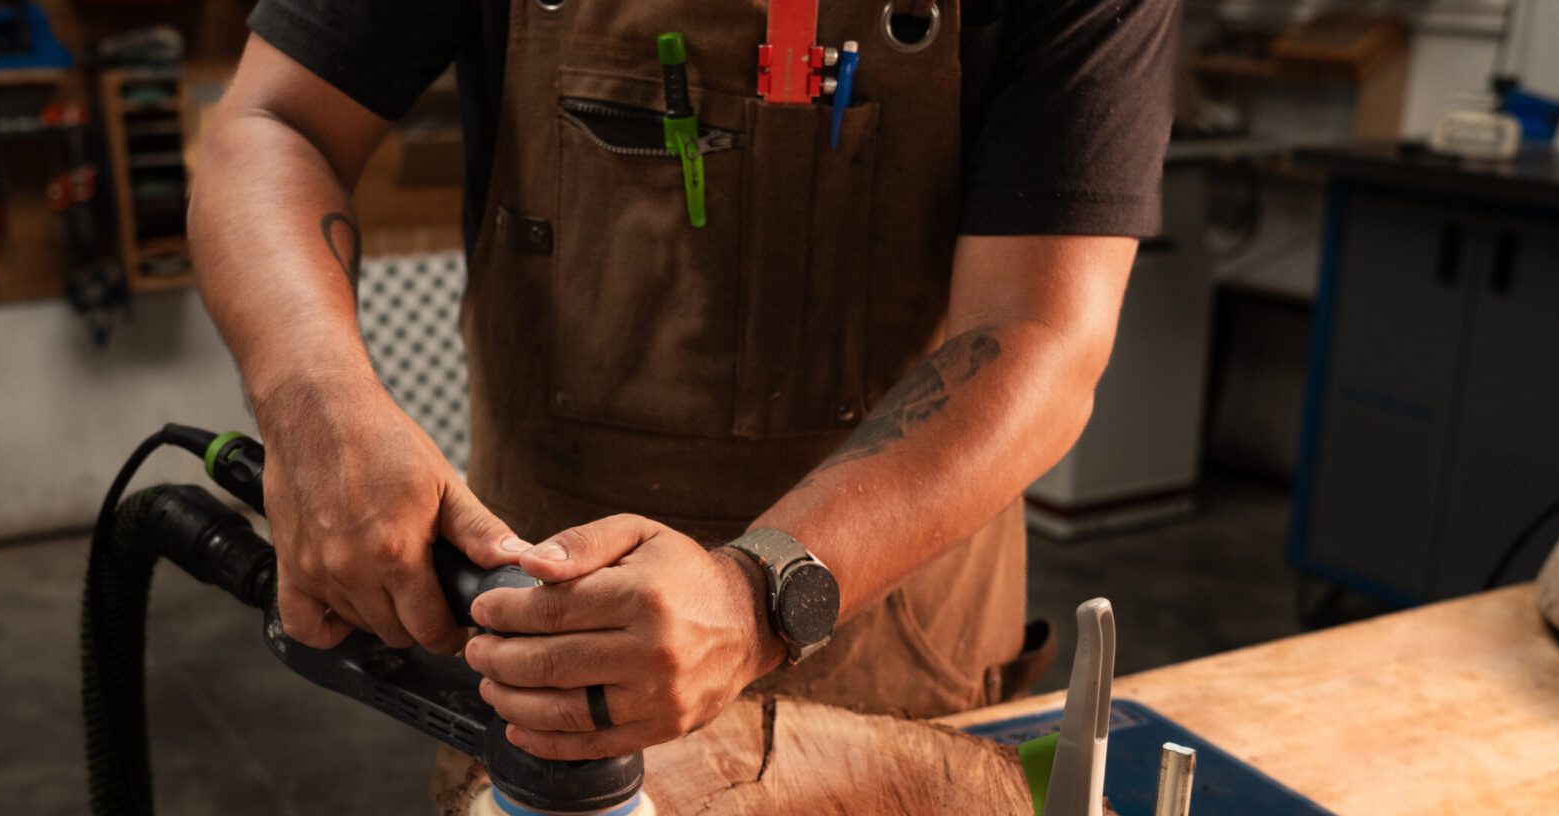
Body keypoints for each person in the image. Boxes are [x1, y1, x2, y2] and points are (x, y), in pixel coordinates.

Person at [191, 0, 1176, 761]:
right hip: (542, 632)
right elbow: (275, 122)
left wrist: (761, 595)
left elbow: (1038, 330)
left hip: (892, 650)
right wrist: (315, 406)